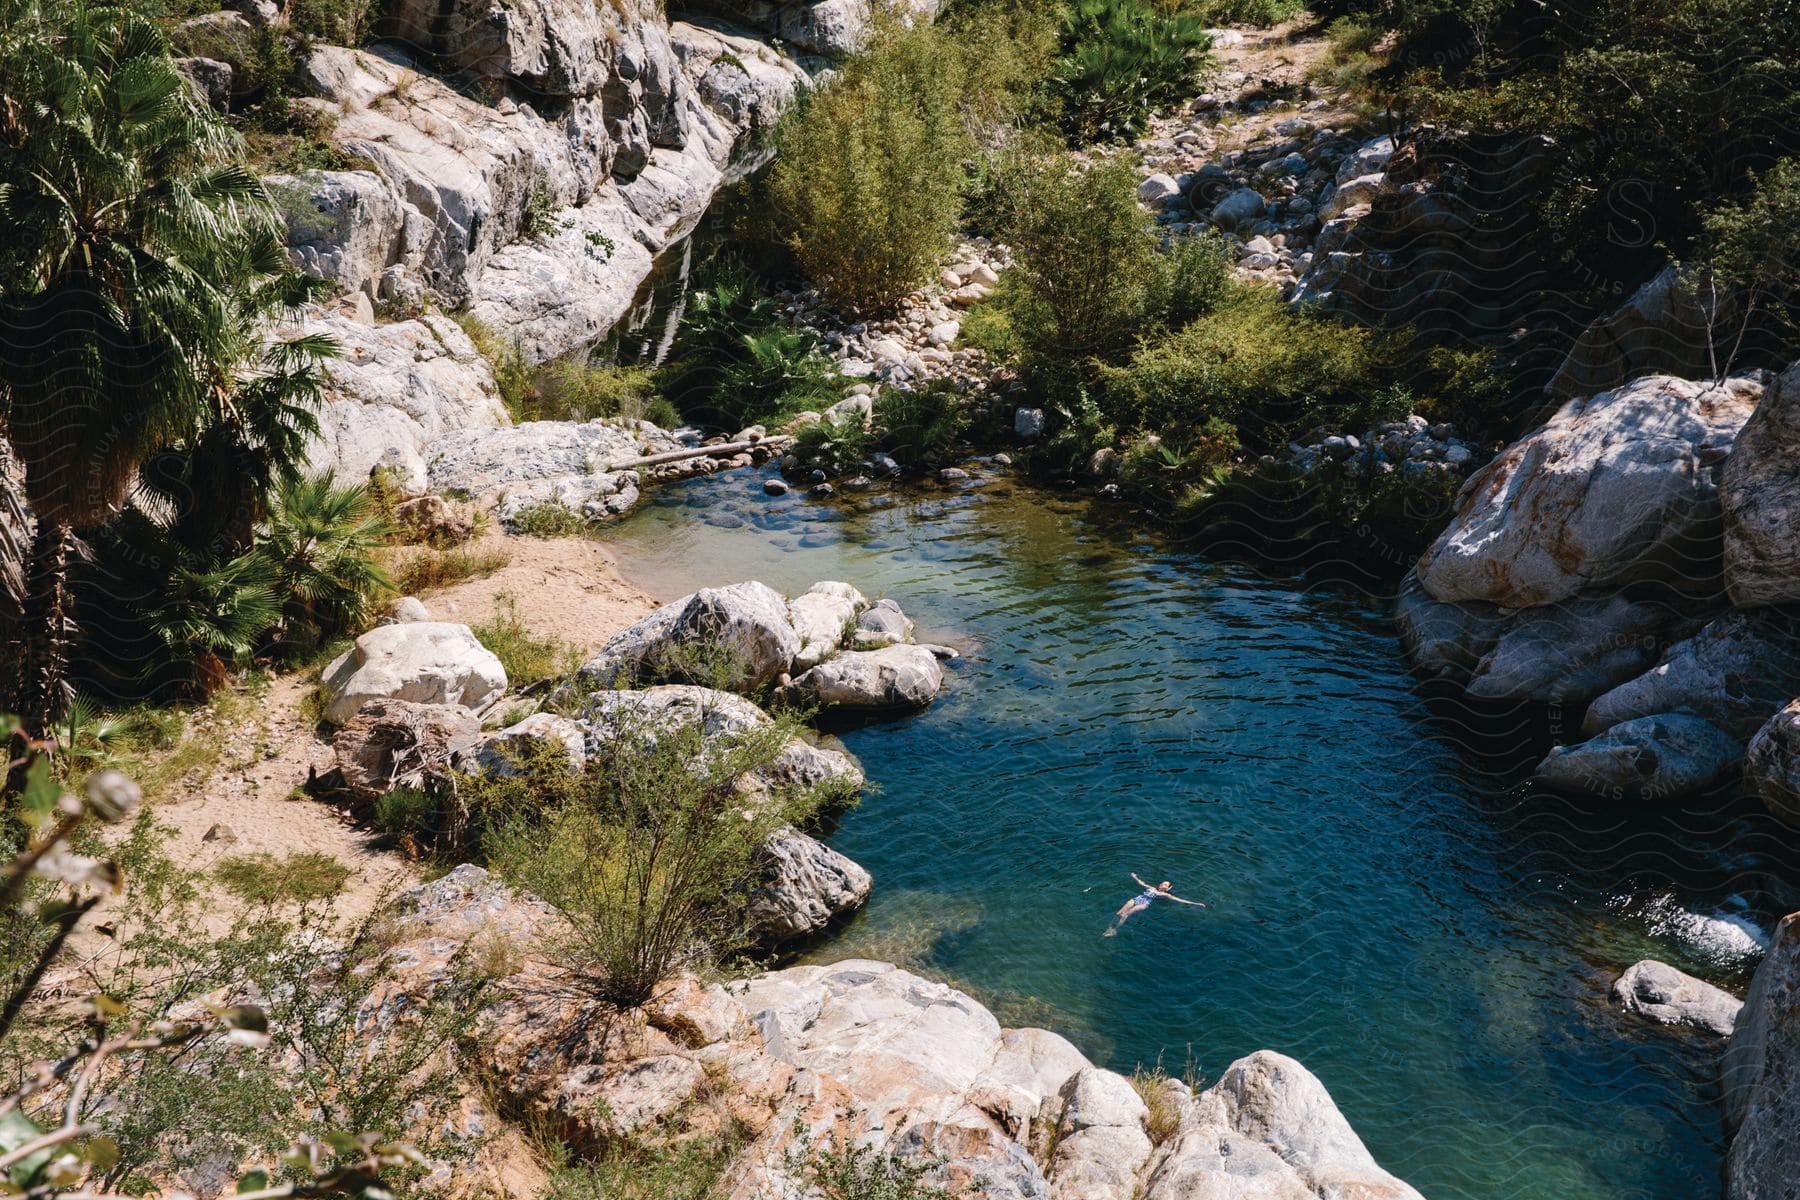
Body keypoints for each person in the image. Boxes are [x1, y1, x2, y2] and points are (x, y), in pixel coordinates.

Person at [1105, 873, 1204, 936]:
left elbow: (1180, 900)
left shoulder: (1164, 894)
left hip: (1145, 903)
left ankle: (1114, 930)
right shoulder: (1151, 887)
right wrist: (1134, 876)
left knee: (1126, 914)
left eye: (1165, 884)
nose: (1162, 884)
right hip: (1137, 899)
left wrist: (1196, 903)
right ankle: (1110, 928)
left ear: (1168, 888)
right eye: (1162, 883)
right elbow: (1141, 883)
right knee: (1120, 913)